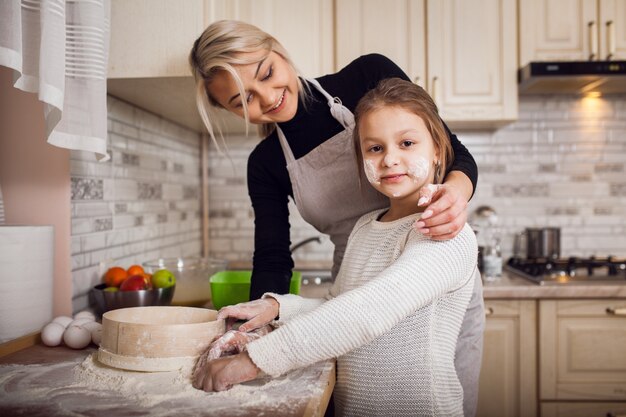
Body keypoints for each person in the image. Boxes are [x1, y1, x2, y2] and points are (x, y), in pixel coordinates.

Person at [189, 20, 484, 416]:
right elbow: (276, 260)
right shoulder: (268, 163)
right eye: (243, 101)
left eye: (267, 74)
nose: (269, 98)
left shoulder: (367, 77)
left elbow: (452, 149)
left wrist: (453, 198)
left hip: (427, 246)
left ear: (278, 50)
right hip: (356, 271)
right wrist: (262, 319)